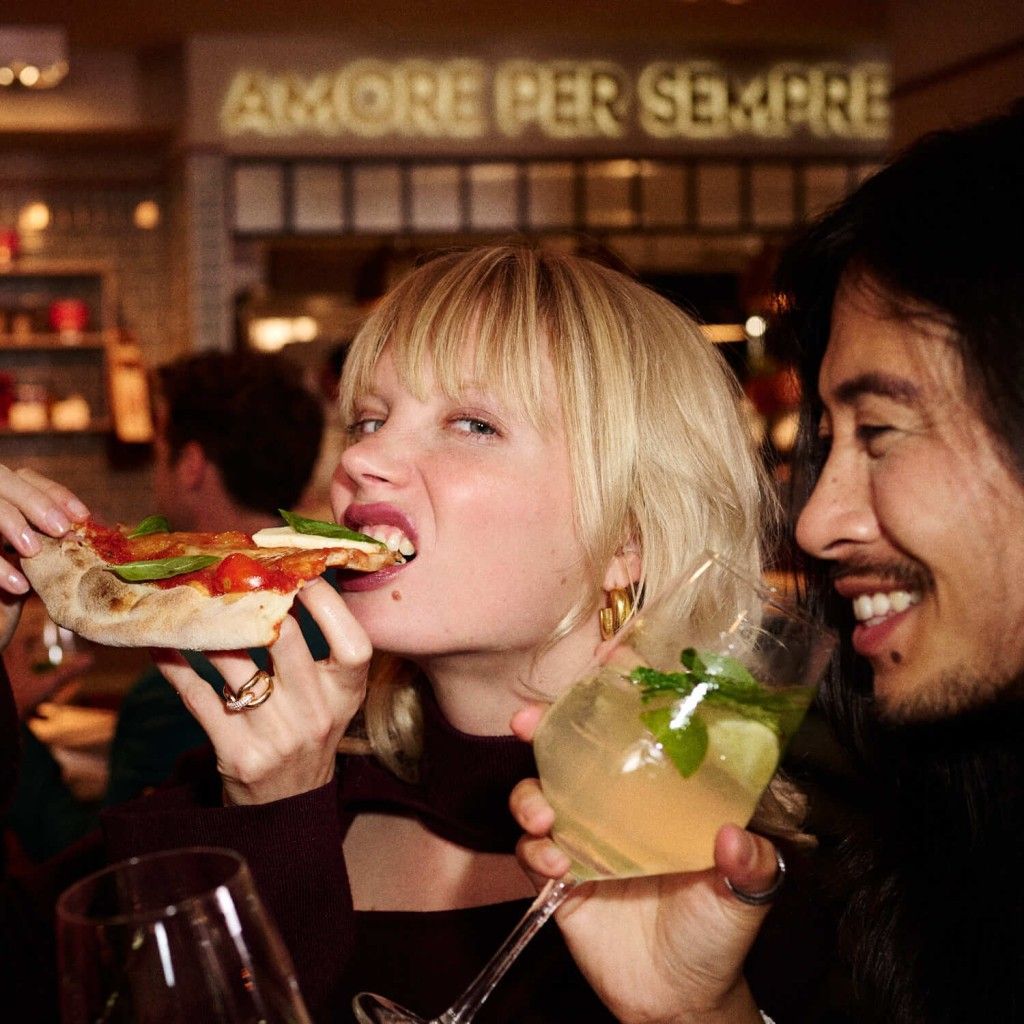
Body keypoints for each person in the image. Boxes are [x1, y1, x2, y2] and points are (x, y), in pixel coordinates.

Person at [0, 245, 773, 1022]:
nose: (363, 458)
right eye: (367, 418)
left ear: (626, 541)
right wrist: (273, 817)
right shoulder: (236, 792)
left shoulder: (732, 871)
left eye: (473, 423)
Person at [512, 102, 1024, 1023]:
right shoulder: (948, 835)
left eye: (882, 431)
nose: (817, 522)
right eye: (831, 439)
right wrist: (696, 1014)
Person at [5, 351, 329, 863]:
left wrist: (11, 714)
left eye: (161, 450)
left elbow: (100, 862)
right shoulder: (342, 612)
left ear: (192, 464)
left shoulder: (184, 676)